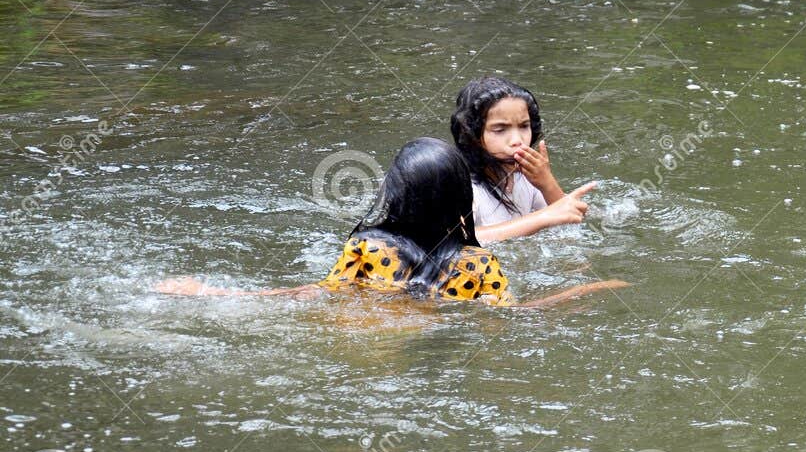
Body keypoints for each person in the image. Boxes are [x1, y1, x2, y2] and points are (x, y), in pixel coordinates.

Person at [154, 138, 624, 308]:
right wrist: (583, 291)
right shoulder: (476, 265)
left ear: (393, 197)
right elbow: (512, 316)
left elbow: (313, 293)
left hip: (360, 333)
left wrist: (213, 294)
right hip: (425, 337)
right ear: (464, 202)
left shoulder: (368, 247)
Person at [450, 76, 596, 243]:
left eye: (524, 126)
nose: (517, 140)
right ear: (473, 136)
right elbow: (458, 240)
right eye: (500, 129)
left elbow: (570, 222)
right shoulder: (463, 187)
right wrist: (542, 217)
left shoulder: (527, 177)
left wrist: (547, 184)